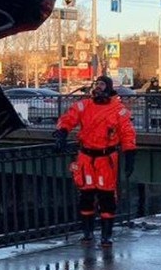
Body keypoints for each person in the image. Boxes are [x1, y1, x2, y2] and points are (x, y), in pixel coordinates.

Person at [53, 75, 137, 247]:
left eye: (102, 84)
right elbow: (69, 117)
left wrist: (130, 155)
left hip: (106, 159)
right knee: (86, 195)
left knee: (107, 197)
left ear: (109, 88)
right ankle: (87, 232)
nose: (98, 87)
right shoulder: (85, 105)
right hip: (86, 158)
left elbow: (127, 133)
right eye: (96, 84)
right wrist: (61, 133)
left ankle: (106, 235)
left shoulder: (119, 110)